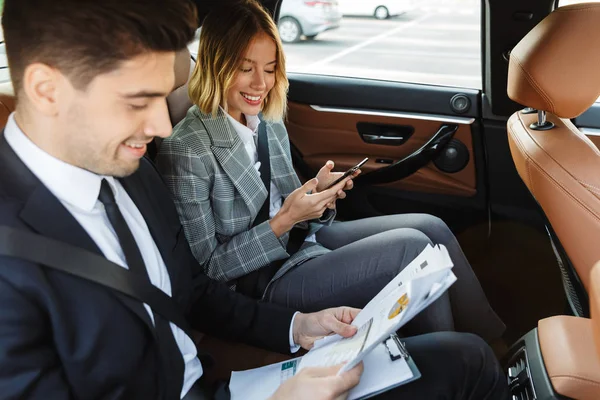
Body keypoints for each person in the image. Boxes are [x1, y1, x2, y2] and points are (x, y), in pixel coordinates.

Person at [0, 0, 510, 399]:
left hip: (229, 385)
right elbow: (217, 269)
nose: (160, 126)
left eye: (163, 97)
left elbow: (196, 291)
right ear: (48, 90)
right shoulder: (13, 268)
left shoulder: (132, 176)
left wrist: (297, 326)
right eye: (138, 101)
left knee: (468, 357)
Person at [155, 0, 505, 342]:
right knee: (411, 249)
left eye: (270, 67)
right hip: (261, 280)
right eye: (246, 69)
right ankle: (451, 364)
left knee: (432, 227)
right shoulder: (186, 148)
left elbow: (293, 205)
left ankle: (494, 346)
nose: (261, 84)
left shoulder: (265, 118)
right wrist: (284, 221)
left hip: (301, 242)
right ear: (217, 65)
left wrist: (320, 194)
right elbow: (208, 271)